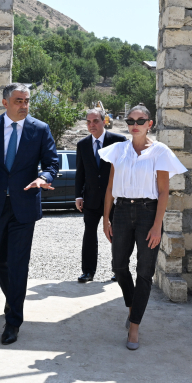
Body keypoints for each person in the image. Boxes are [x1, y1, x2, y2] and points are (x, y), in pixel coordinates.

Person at [0, 83, 59, 345]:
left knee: (18, 263)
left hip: (25, 205)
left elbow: (52, 162)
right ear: (5, 102)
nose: (24, 106)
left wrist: (44, 177)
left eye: (27, 101)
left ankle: (13, 321)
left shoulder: (39, 129)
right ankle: (13, 298)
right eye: (18, 101)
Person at [100, 104, 186, 351]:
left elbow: (162, 191)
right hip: (122, 212)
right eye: (130, 120)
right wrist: (106, 219)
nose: (134, 125)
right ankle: (132, 307)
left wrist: (158, 226)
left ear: (150, 123)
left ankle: (134, 326)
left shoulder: (159, 152)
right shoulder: (117, 151)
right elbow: (109, 188)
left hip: (148, 213)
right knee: (118, 266)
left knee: (145, 271)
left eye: (140, 120)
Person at [74, 107, 126, 283]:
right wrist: (78, 196)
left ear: (104, 121)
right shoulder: (82, 145)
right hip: (90, 199)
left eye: (95, 121)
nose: (91, 125)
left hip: (115, 199)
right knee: (89, 234)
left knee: (118, 235)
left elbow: (125, 169)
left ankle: (118, 271)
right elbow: (80, 173)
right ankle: (88, 272)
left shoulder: (119, 141)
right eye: (88, 122)